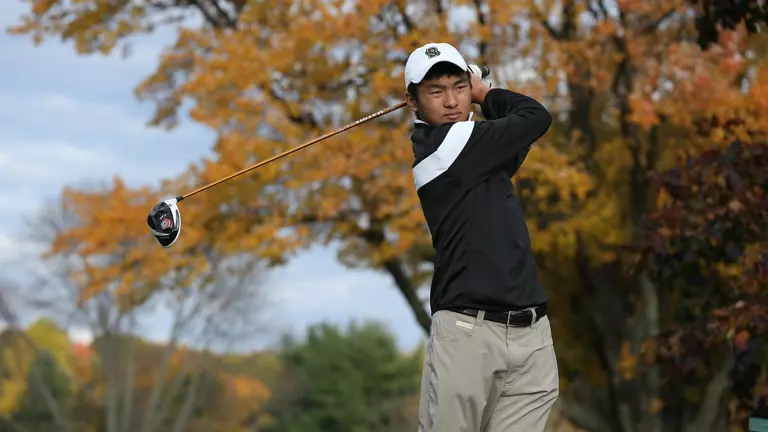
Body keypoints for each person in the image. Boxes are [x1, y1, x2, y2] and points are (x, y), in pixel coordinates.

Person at [404, 42, 559, 432]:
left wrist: (481, 91)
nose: (452, 100)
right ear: (413, 103)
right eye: (435, 92)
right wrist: (483, 91)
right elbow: (534, 117)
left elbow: (516, 143)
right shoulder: (443, 147)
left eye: (458, 87)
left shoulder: (475, 148)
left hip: (531, 332)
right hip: (467, 334)